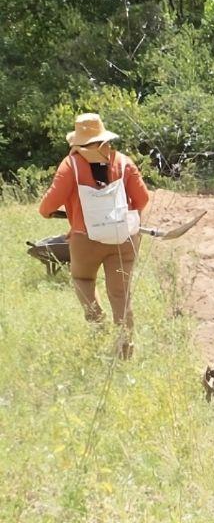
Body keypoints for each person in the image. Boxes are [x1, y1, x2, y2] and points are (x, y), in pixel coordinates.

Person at [38, 113, 151, 353]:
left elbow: (48, 206)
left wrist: (48, 212)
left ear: (77, 142)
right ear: (104, 138)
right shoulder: (124, 162)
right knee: (120, 294)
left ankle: (98, 325)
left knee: (83, 280)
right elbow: (142, 199)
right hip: (123, 238)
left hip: (85, 240)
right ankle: (125, 346)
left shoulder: (71, 165)